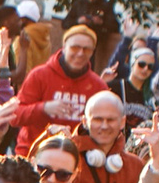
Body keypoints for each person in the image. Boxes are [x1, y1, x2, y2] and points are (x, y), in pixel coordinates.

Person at [8, 23, 107, 154]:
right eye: (75, 47)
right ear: (64, 47)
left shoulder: (98, 86)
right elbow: (15, 117)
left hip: (74, 158)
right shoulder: (40, 75)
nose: (80, 53)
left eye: (86, 49)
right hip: (33, 152)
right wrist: (43, 108)